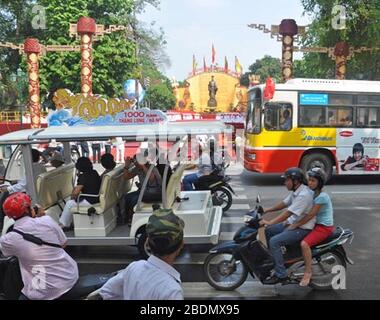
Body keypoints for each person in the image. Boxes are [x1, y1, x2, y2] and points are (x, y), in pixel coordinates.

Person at [0, 192, 79, 300]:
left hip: (43, 291)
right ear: (28, 209)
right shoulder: (47, 221)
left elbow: (6, 253)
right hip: (69, 277)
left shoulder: (8, 239)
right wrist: (42, 217)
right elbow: (63, 243)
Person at [99, 208, 185, 300]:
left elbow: (106, 292)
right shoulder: (172, 291)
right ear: (181, 245)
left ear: (147, 242)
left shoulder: (134, 268)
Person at [259, 167, 315, 284]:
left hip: (302, 228)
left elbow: (287, 213)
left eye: (287, 180)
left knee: (274, 241)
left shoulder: (303, 195)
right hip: (293, 224)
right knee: (269, 231)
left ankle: (281, 274)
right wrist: (266, 210)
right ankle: (276, 260)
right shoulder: (297, 191)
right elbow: (284, 204)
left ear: (295, 181)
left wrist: (269, 221)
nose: (285, 183)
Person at [288, 168, 334, 287]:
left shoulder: (322, 197)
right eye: (309, 180)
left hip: (323, 227)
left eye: (313, 181)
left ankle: (308, 272)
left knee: (304, 244)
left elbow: (310, 215)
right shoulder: (313, 193)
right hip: (315, 224)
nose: (310, 183)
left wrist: (295, 224)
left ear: (320, 182)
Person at [59, 157, 101, 229]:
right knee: (72, 202)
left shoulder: (83, 176)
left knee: (69, 203)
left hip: (89, 200)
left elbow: (75, 193)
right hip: (96, 198)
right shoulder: (94, 172)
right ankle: (68, 222)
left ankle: (63, 224)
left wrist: (73, 197)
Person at [123, 153, 162, 225]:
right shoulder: (138, 169)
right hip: (144, 192)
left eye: (136, 162)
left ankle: (133, 219)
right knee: (127, 197)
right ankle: (127, 218)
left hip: (154, 193)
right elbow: (126, 177)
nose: (135, 164)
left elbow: (151, 179)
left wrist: (143, 166)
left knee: (134, 199)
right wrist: (126, 166)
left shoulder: (152, 168)